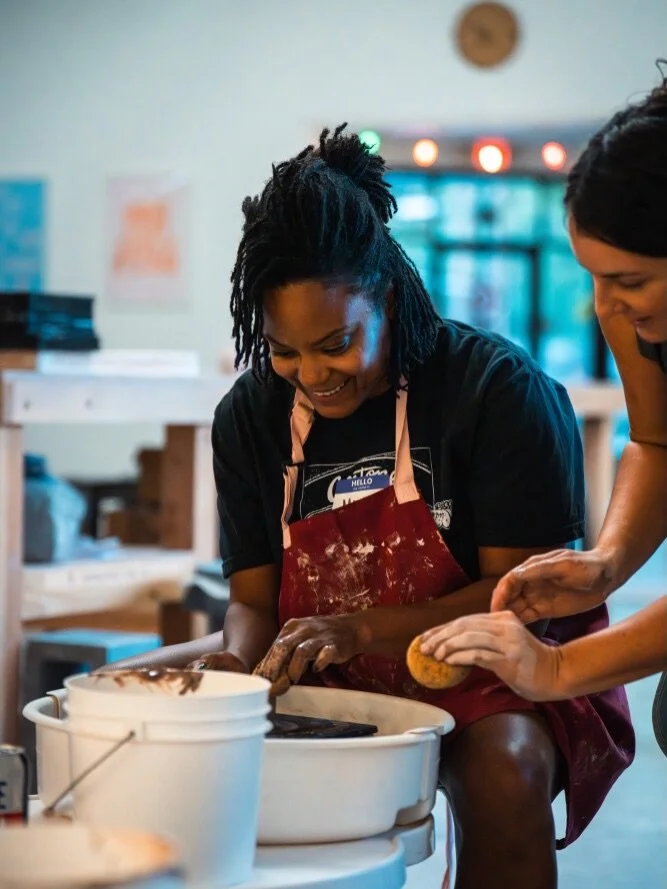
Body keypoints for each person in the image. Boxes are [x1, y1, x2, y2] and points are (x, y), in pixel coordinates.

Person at [110, 126, 633, 889]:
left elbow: (523, 604)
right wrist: (238, 664)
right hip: (330, 671)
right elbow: (254, 599)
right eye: (284, 350)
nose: (312, 375)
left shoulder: (493, 392)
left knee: (504, 773)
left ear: (386, 295)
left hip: (497, 668)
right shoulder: (250, 418)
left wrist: (359, 627)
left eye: (336, 342)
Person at [419, 73, 667, 755]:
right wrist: (607, 562)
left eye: (628, 281)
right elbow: (655, 439)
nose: (605, 305)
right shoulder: (629, 313)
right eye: (593, 276)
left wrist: (556, 668)